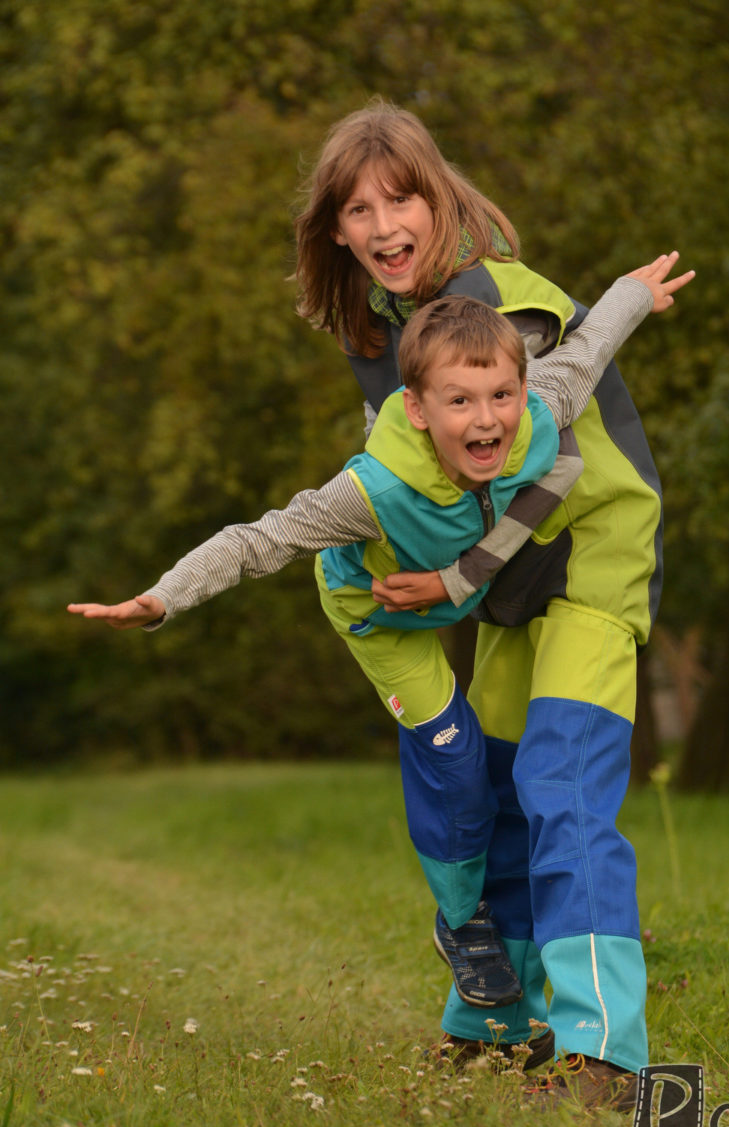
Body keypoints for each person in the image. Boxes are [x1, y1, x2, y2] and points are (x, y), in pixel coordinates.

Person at [67, 265, 691, 1080]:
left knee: (524, 786)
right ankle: (463, 923)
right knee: (462, 771)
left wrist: (635, 291)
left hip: (449, 596)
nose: (488, 419)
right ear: (417, 409)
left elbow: (590, 361)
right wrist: (161, 599)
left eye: (501, 396)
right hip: (380, 620)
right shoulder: (367, 490)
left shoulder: (542, 408)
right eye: (460, 403)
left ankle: (554, 1040)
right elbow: (261, 540)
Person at [291, 99, 687, 1109]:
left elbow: (524, 454)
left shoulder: (495, 299)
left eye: (402, 198)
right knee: (498, 796)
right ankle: (499, 1023)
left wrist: (449, 580)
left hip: (588, 557)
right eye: (358, 208)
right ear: (333, 230)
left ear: (442, 199)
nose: (383, 226)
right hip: (509, 590)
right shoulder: (380, 347)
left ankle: (610, 1063)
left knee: (559, 784)